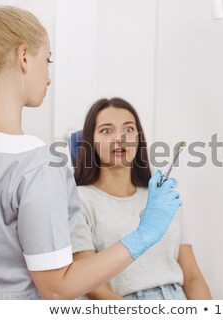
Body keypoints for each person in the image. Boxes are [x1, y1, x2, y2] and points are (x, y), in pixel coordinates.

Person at [0, 1, 181, 300]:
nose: (48, 76)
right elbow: (57, 288)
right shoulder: (38, 166)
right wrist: (144, 235)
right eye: (48, 60)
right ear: (23, 58)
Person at [71, 98, 212, 300]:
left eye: (128, 129)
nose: (120, 138)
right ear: (90, 141)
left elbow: (192, 277)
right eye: (106, 130)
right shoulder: (80, 200)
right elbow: (94, 287)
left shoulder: (161, 197)